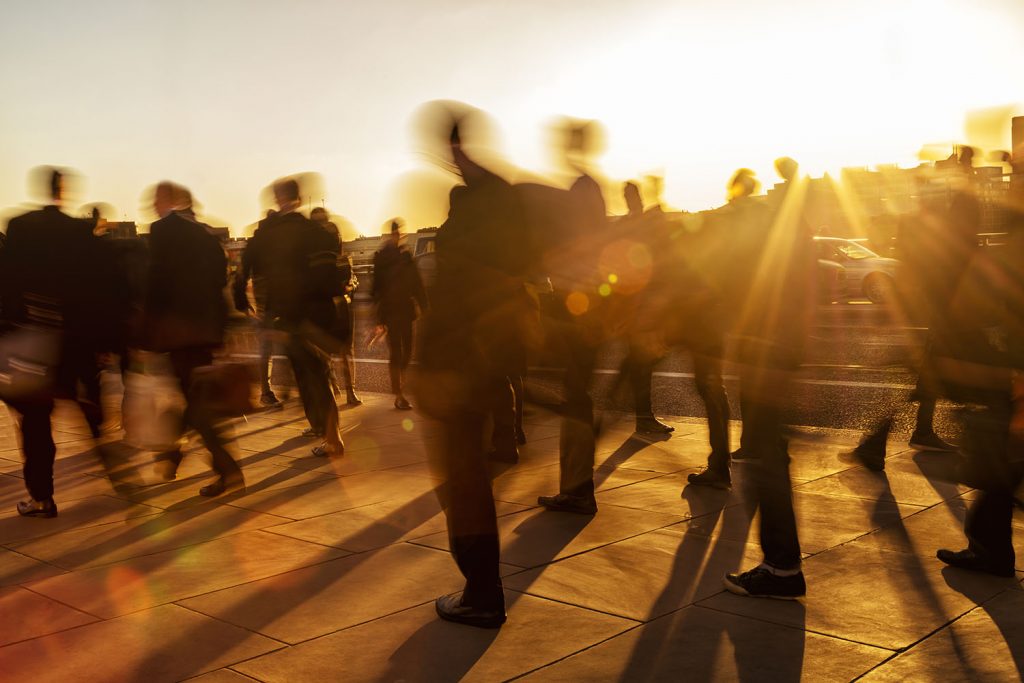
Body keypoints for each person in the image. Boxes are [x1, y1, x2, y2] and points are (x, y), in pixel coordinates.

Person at [417, 121, 531, 628]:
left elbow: (451, 301)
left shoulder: (470, 219)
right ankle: (481, 588)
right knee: (470, 477)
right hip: (489, 357)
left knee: (462, 482)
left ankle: (482, 592)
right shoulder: (504, 211)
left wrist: (427, 363)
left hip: (458, 362)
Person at [713, 167, 816, 599]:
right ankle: (781, 564)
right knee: (766, 453)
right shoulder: (792, 232)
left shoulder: (769, 235)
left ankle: (782, 568)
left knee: (765, 457)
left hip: (767, 352)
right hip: (776, 349)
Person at [0, 168, 121, 517]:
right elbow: (102, 290)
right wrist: (105, 340)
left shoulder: (21, 227)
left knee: (36, 423)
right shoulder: (81, 235)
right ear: (65, 191)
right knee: (86, 409)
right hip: (76, 340)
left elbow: (8, 284)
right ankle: (113, 467)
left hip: (33, 338)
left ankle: (42, 497)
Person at [145, 182, 244, 496]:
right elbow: (219, 284)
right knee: (198, 399)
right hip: (208, 331)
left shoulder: (162, 231)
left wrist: (148, 334)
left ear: (170, 201)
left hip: (179, 333)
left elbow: (157, 284)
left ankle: (225, 469)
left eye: (156, 199)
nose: (152, 205)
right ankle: (175, 455)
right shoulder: (207, 237)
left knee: (198, 404)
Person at [234, 178, 344, 456]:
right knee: (315, 373)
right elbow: (330, 270)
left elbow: (244, 267)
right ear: (298, 198)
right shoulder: (312, 231)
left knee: (306, 374)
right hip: (314, 315)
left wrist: (242, 301)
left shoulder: (268, 233)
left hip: (287, 315)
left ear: (278, 198)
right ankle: (328, 432)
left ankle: (329, 434)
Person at [372, 219, 427, 410]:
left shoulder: (393, 256)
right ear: (396, 234)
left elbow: (376, 289)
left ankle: (399, 389)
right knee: (402, 352)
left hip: (396, 311)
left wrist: (378, 316)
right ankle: (399, 393)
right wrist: (424, 306)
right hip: (398, 311)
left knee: (402, 353)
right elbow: (416, 284)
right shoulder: (398, 257)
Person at [311, 207, 361, 406]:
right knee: (332, 353)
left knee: (343, 351)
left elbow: (352, 280)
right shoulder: (319, 257)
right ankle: (339, 389)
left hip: (340, 306)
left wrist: (351, 285)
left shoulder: (337, 257)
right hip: (331, 305)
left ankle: (347, 390)